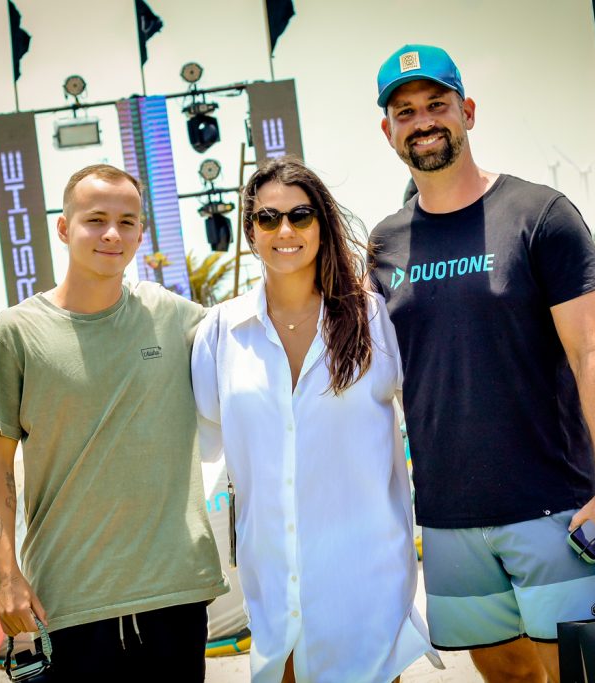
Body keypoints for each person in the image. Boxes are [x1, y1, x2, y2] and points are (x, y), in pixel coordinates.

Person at [368, 45, 595, 683]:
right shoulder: (384, 243)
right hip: (448, 518)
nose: (423, 120)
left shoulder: (540, 215)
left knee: (585, 673)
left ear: (466, 110)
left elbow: (593, 353)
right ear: (389, 131)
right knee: (509, 678)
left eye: (436, 104)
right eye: (405, 111)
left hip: (555, 506)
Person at [192, 156, 440, 683]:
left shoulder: (375, 318)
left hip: (367, 581)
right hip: (275, 590)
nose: (285, 230)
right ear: (250, 232)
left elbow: (433, 409)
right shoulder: (219, 333)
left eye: (301, 215)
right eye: (268, 218)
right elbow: (203, 443)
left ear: (322, 226)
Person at [0, 164, 229, 678]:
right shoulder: (15, 333)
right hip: (70, 600)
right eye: (95, 219)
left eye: (128, 221)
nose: (113, 234)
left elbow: (261, 340)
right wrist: (5, 575)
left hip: (175, 593)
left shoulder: (175, 316)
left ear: (141, 231)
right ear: (65, 228)